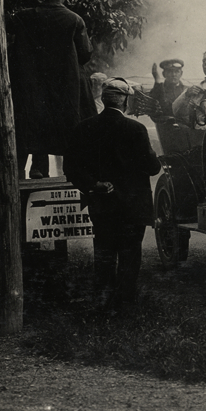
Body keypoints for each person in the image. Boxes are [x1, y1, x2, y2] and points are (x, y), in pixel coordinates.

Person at [63, 77, 161, 310]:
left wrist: (93, 184)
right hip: (132, 206)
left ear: (104, 100)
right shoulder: (136, 129)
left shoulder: (83, 127)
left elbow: (71, 168)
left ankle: (103, 302)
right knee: (129, 255)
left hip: (101, 203)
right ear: (125, 102)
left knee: (105, 252)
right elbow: (152, 167)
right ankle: (126, 304)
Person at [8, 0, 96, 179]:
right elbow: (84, 54)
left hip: (31, 84)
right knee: (69, 124)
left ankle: (34, 169)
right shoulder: (74, 20)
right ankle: (70, 173)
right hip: (66, 86)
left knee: (33, 119)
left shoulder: (23, 17)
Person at [172, 49, 206, 126]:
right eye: (204, 61)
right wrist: (187, 95)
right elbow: (175, 110)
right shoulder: (198, 86)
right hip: (199, 130)